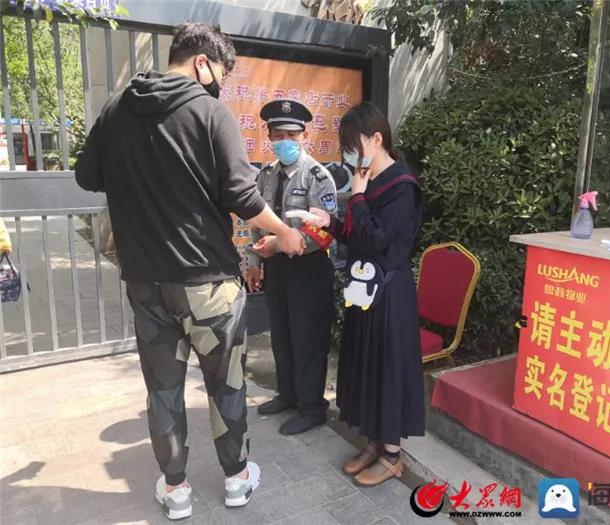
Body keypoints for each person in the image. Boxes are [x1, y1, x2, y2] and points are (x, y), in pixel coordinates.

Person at [75, 23, 305, 520]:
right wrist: (285, 232)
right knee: (226, 385)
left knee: (163, 390)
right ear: (202, 62)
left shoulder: (116, 109)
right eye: (220, 73)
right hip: (209, 285)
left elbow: (86, 175)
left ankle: (176, 490)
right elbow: (242, 195)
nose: (220, 84)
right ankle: (237, 480)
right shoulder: (209, 112)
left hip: (147, 284)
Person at [305, 102, 424, 486]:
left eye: (353, 145)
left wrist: (356, 196)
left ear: (376, 139)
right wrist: (329, 222)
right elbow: (356, 234)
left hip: (388, 292)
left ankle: (392, 455)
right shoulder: (369, 179)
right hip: (365, 290)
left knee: (386, 368)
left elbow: (378, 239)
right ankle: (374, 442)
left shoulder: (402, 185)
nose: (349, 154)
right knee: (368, 365)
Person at [245, 99, 337, 435]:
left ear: (304, 136)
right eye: (278, 135)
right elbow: (257, 221)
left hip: (309, 269)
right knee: (282, 335)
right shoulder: (266, 175)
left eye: (291, 135)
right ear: (269, 136)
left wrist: (282, 243)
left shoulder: (317, 176)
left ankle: (311, 407)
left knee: (307, 338)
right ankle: (288, 395)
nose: (285, 141)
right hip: (277, 269)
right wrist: (254, 260)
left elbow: (325, 233)